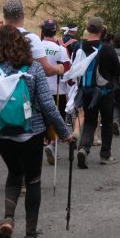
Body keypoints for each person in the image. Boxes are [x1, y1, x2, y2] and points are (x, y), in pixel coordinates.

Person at [0, 25, 71, 238]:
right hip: (31, 133)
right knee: (32, 181)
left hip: (2, 135)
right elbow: (48, 107)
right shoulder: (33, 68)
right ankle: (31, 237)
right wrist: (63, 133)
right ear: (24, 43)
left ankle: (8, 219)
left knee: (14, 172)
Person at [73, 17, 120, 168]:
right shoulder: (107, 48)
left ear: (87, 29)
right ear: (101, 31)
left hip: (86, 91)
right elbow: (118, 71)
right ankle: (105, 154)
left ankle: (83, 148)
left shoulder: (78, 46)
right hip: (105, 92)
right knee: (106, 121)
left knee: (89, 121)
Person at [0, 0, 64, 78]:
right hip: (24, 91)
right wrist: (58, 69)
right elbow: (46, 71)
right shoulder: (33, 39)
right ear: (23, 15)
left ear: (4, 16)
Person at [40, 19, 70, 165]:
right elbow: (67, 69)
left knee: (42, 119)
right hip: (57, 90)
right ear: (55, 31)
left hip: (39, 89)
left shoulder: (36, 47)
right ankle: (52, 145)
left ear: (42, 31)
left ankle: (46, 143)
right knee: (57, 119)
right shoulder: (60, 49)